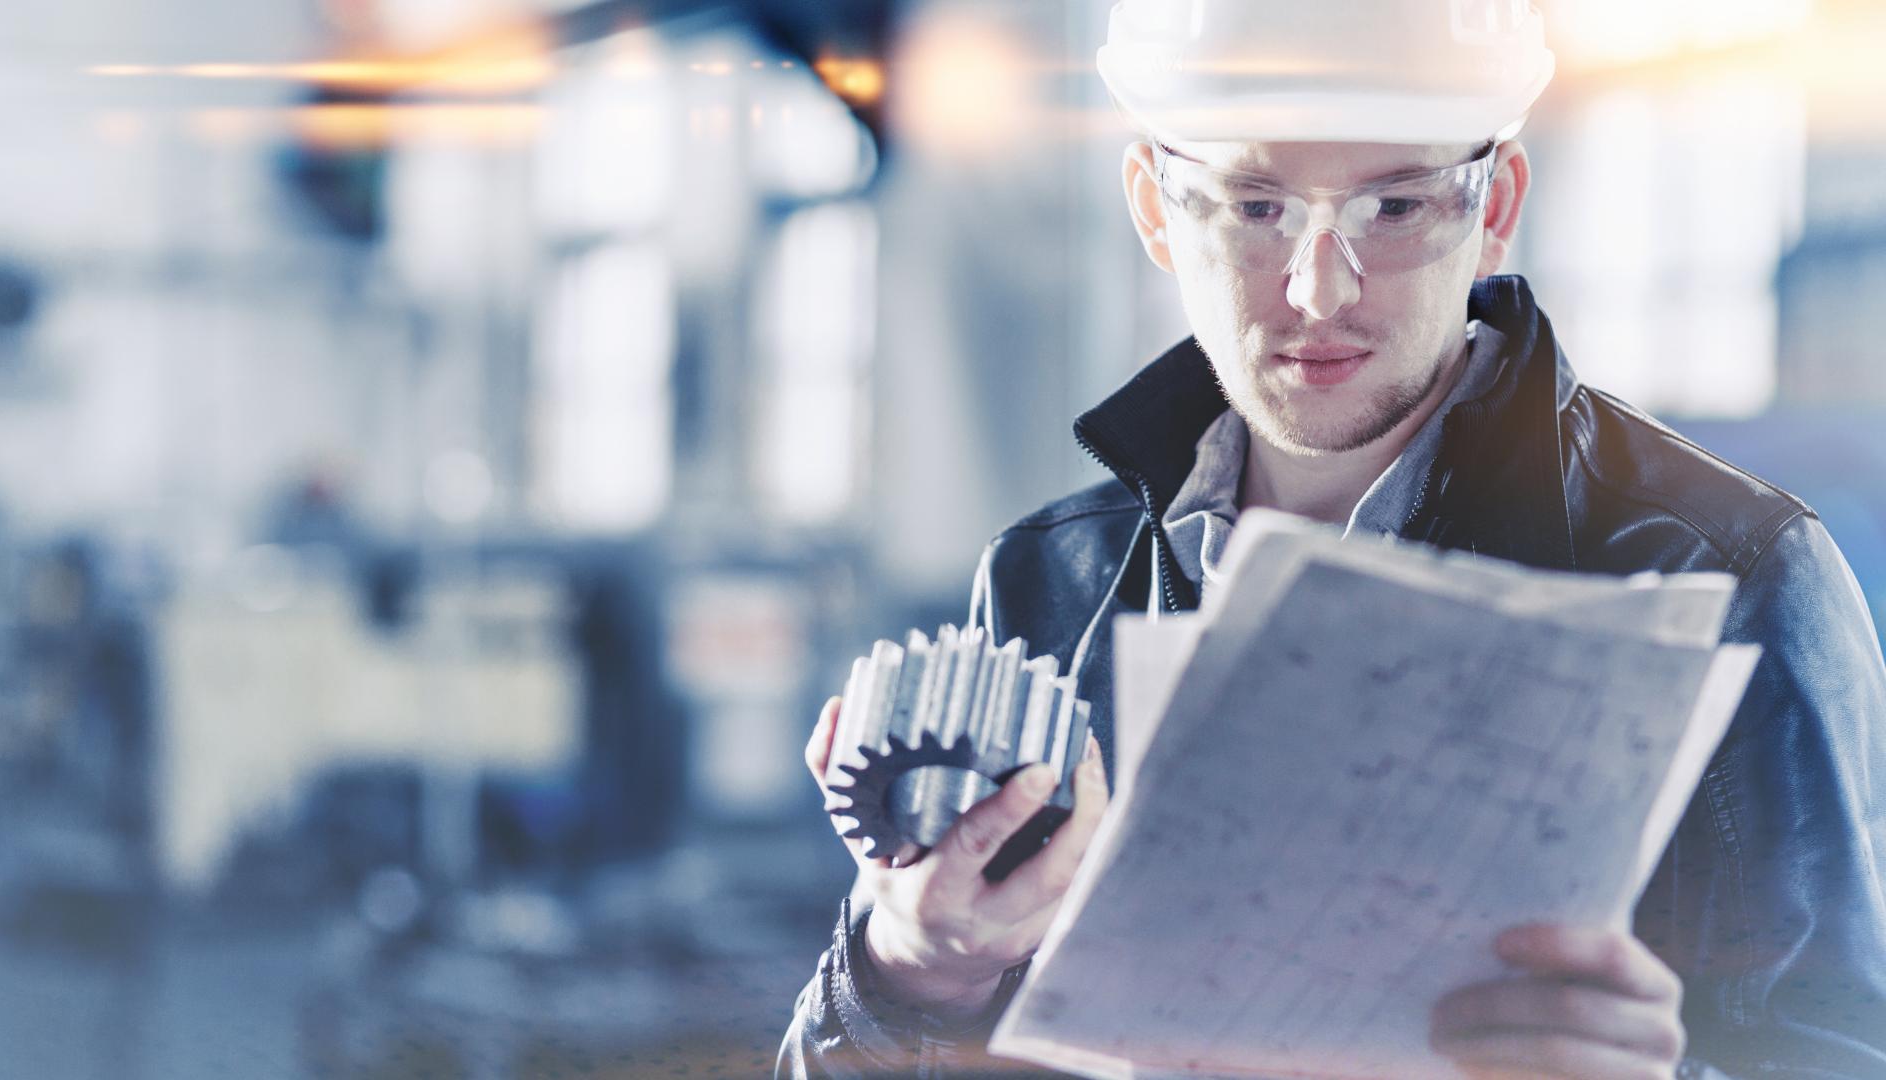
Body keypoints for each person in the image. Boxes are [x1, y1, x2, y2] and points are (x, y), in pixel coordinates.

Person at [779, 2, 1886, 1077]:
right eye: (1254, 207)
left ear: (1493, 203)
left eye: (1393, 207)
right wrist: (905, 977)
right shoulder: (1048, 584)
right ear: (1157, 213)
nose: (1318, 291)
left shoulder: (1726, 576)